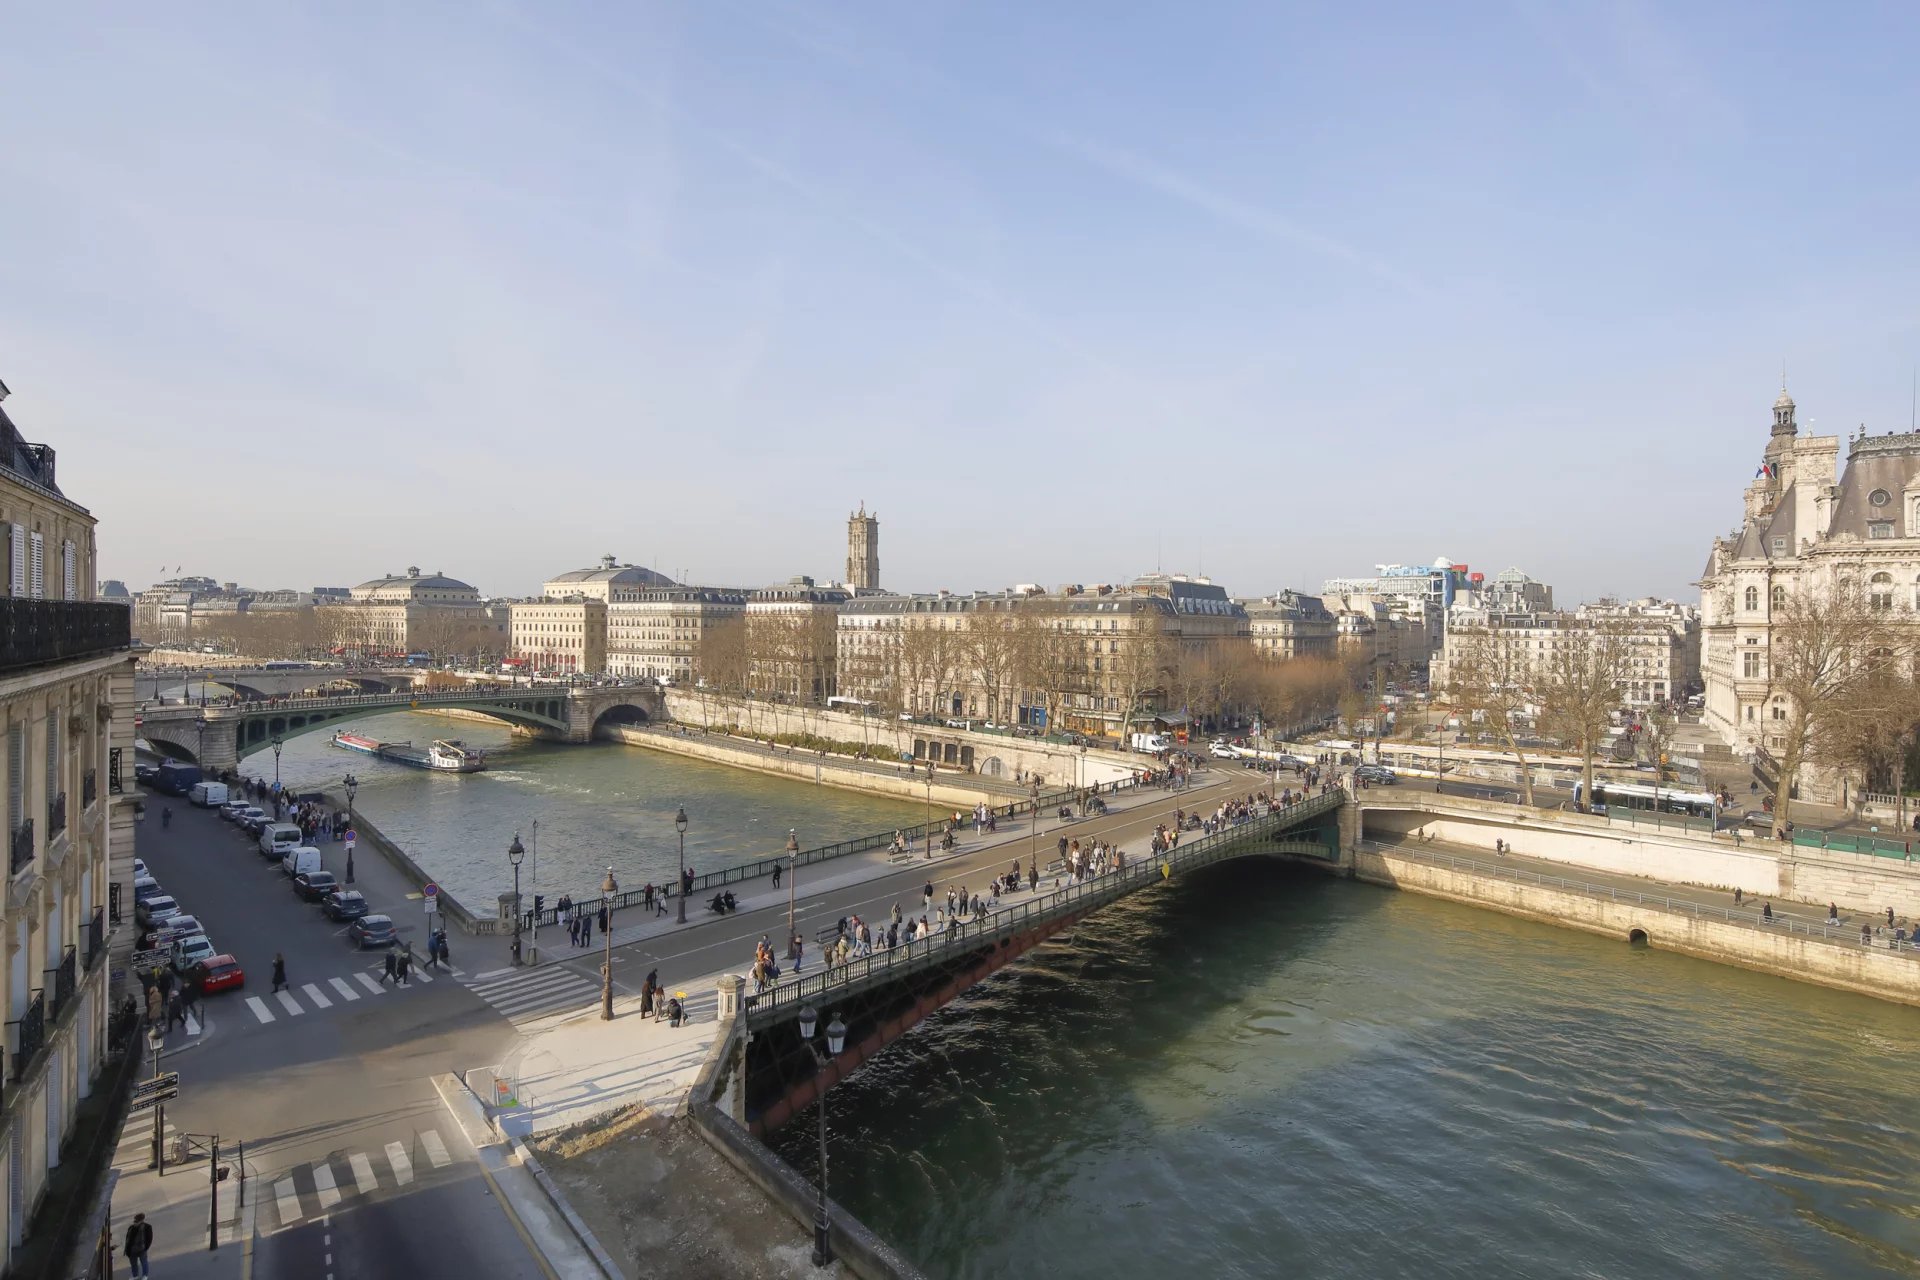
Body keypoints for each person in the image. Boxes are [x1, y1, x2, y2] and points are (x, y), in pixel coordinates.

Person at [124, 1212, 154, 1278]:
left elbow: (149, 1238)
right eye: (134, 1221)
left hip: (142, 1249)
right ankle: (135, 1275)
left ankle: (145, 1275)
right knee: (133, 1264)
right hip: (132, 1250)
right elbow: (128, 1240)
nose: (134, 1222)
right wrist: (127, 1250)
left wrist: (145, 1248)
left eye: (136, 1221)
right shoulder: (131, 1228)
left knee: (144, 1263)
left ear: (141, 1221)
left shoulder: (147, 1227)